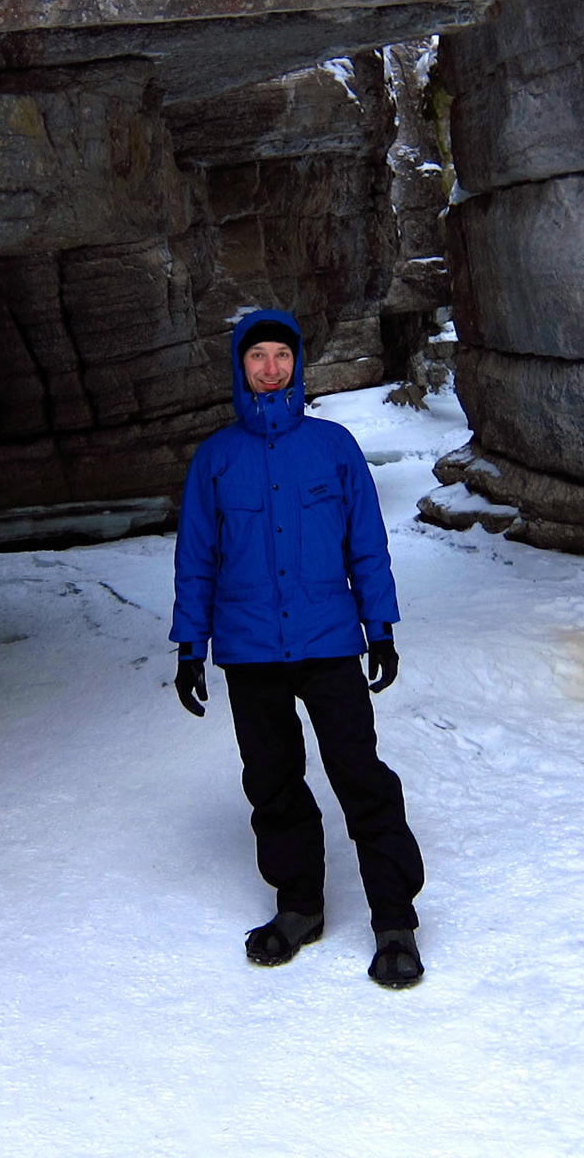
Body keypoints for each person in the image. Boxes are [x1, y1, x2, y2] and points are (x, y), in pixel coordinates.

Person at [169, 309, 426, 989]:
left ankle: (394, 921)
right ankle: (299, 908)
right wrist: (189, 645)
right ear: (241, 366)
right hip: (250, 649)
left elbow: (366, 545)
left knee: (359, 776)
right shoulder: (217, 460)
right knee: (273, 782)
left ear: (297, 364)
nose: (271, 368)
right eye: (259, 357)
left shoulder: (333, 448)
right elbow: (196, 558)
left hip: (327, 640)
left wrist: (382, 627)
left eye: (282, 355)